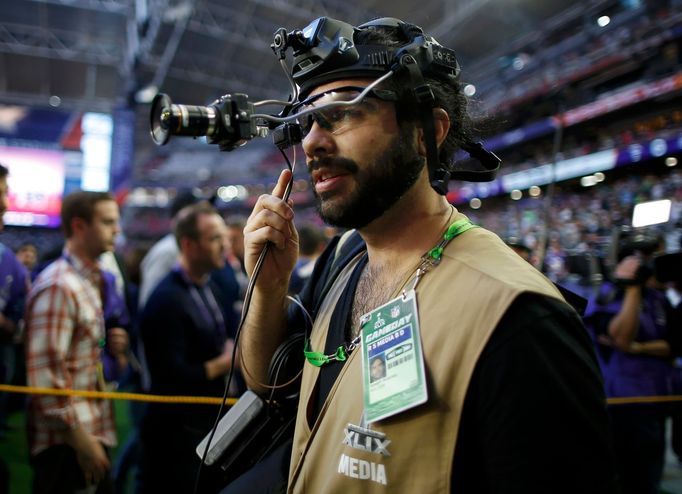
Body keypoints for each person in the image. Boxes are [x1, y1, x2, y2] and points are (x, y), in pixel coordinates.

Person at [237, 16, 618, 493]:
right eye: (307, 120)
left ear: (427, 131)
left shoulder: (520, 319)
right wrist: (268, 290)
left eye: (342, 110)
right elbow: (269, 390)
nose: (312, 140)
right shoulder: (344, 258)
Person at [24, 190, 128, 494]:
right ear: (79, 226)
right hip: (66, 443)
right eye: (108, 222)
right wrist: (81, 441)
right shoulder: (59, 286)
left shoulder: (85, 280)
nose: (117, 229)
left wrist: (111, 349)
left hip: (85, 432)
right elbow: (45, 382)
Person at [137, 202, 239, 494]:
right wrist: (224, 363)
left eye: (224, 236)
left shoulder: (207, 286)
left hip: (199, 428)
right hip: (174, 437)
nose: (225, 245)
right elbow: (169, 377)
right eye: (215, 238)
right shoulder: (167, 299)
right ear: (188, 244)